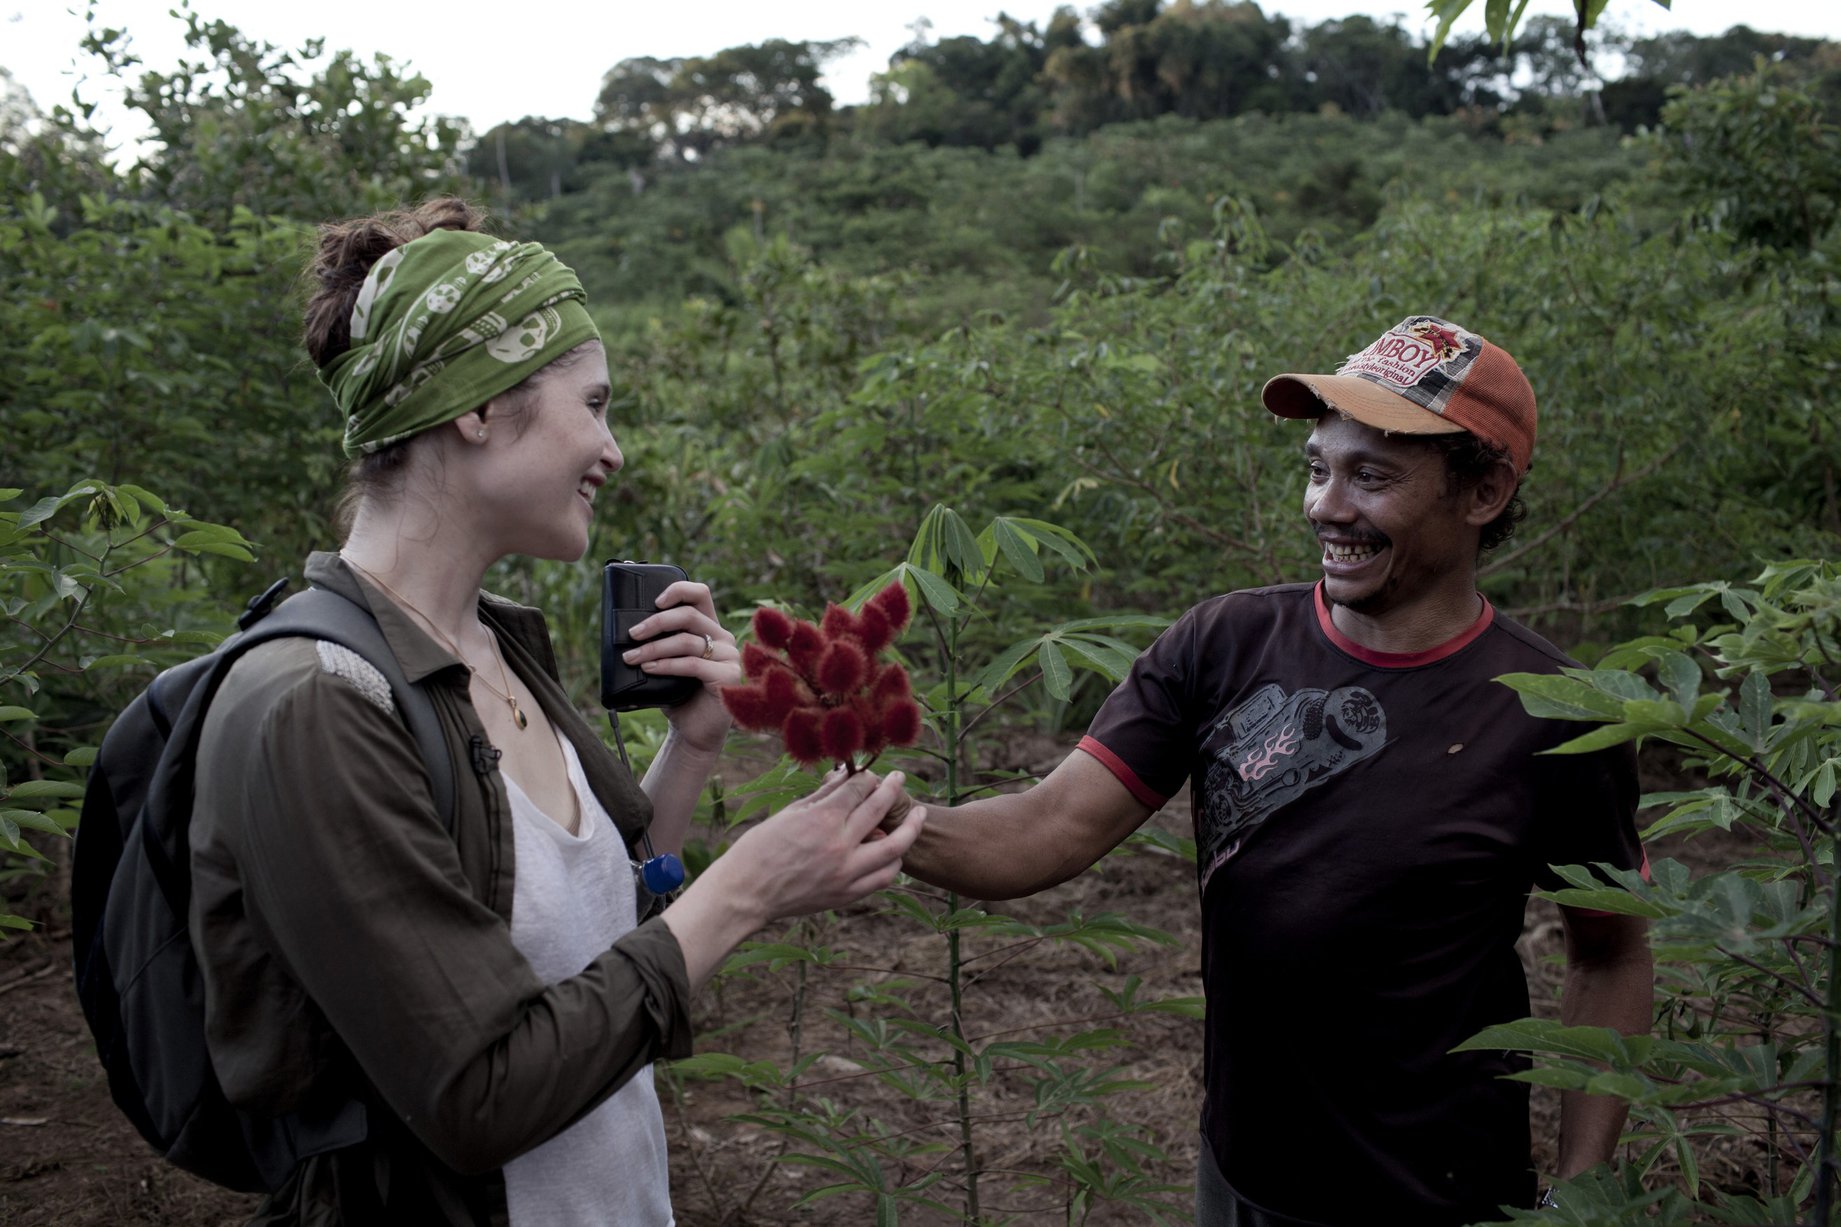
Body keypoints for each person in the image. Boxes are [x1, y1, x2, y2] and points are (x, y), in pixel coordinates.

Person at [187, 197, 926, 1225]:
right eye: (594, 404)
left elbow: (594, 940)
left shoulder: (493, 643)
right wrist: (744, 893)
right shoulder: (317, 705)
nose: (612, 449)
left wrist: (691, 751)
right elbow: (477, 1094)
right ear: (477, 410)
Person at [895, 316, 1653, 1226]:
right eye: (1317, 467)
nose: (1325, 506)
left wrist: (1580, 1187)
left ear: (1482, 490)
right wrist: (878, 814)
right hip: (1242, 1170)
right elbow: (1045, 829)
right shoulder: (1222, 644)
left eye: (1371, 477)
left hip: (1438, 1193)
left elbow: (1609, 955)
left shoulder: (1554, 711)